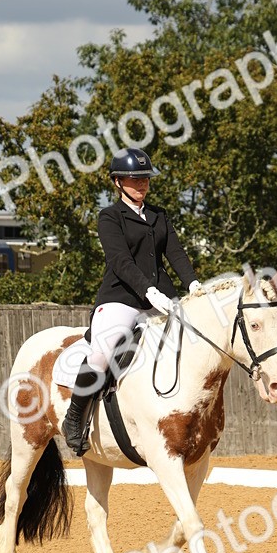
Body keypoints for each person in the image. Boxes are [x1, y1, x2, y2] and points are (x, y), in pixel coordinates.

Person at [61, 147, 201, 455]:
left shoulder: (159, 216)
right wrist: (148, 291)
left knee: (192, 344)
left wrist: (192, 283)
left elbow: (175, 253)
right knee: (102, 352)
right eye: (134, 180)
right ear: (117, 182)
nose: (141, 185)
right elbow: (120, 261)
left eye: (145, 179)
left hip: (161, 299)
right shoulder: (110, 217)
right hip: (122, 298)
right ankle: (74, 417)